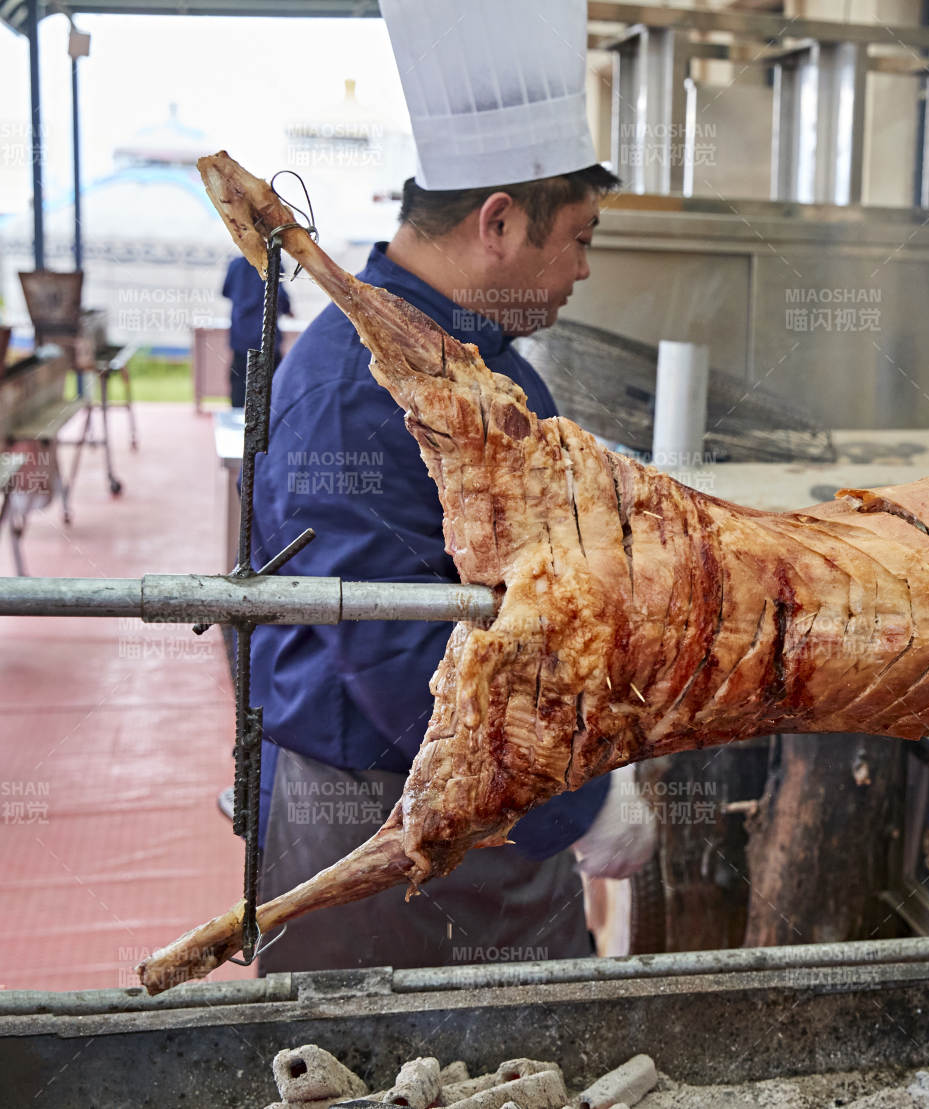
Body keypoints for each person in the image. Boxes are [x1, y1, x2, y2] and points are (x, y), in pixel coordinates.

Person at [251, 0, 652, 974]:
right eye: (581, 237)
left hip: (499, 808)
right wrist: (575, 801)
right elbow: (397, 654)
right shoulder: (359, 382)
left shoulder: (489, 364)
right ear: (500, 222)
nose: (585, 269)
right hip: (386, 825)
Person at [220, 254, 291, 409]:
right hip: (266, 337)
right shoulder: (274, 264)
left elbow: (225, 291)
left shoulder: (235, 265)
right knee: (271, 383)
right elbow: (282, 298)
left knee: (240, 380)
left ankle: (238, 418)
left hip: (241, 334)